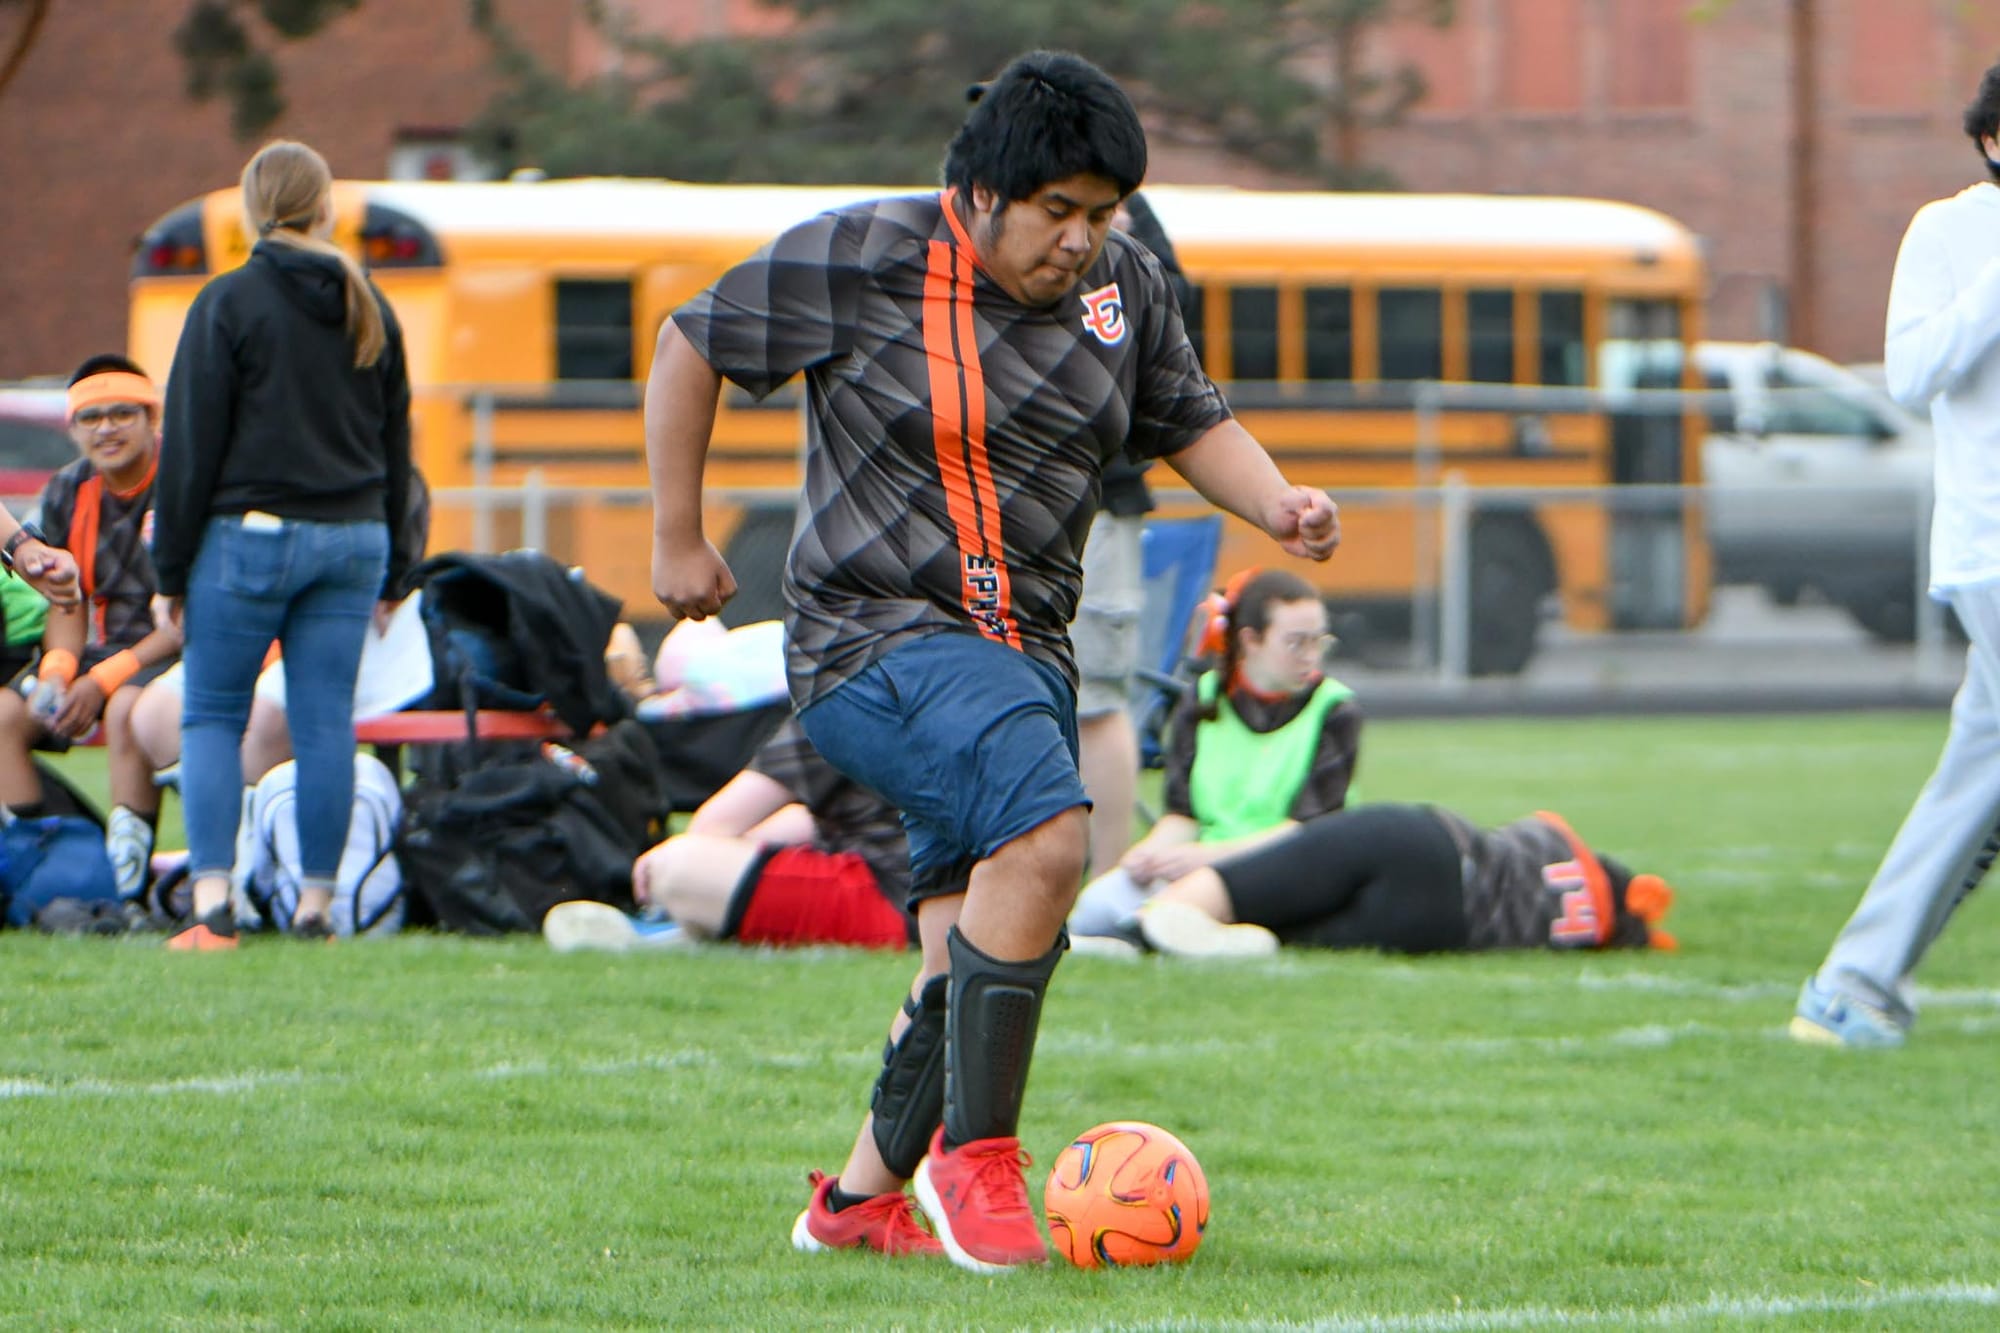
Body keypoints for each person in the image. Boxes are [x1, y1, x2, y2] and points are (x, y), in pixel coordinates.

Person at [645, 49, 1339, 1271]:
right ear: (975, 196)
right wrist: (678, 536)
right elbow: (690, 341)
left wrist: (1279, 506)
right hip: (872, 639)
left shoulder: (1121, 288)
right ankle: (977, 1160)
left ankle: (854, 1203)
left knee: (968, 941)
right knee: (1051, 840)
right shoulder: (861, 256)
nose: (1080, 239)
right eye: (1056, 212)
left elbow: (1187, 417)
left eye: (1101, 213)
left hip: (1023, 656)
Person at [153, 139, 416, 950]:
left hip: (250, 537)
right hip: (355, 538)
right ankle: (315, 903)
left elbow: (191, 444)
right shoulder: (368, 300)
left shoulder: (227, 302)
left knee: (211, 716)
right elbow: (397, 441)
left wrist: (171, 565)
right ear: (325, 205)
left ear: (253, 209)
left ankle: (212, 898)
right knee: (325, 720)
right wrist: (397, 566)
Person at [1792, 59, 2000, 1047]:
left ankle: (1855, 983)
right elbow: (1911, 372)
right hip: (1991, 546)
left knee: (1980, 767)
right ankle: (1852, 982)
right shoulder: (1948, 230)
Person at [1068, 567, 1360, 938]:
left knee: (1167, 917)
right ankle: (1168, 926)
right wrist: (1148, 856)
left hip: (1289, 870)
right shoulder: (1203, 698)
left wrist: (1203, 860)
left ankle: (1174, 926)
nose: (1310, 656)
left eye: (1319, 641)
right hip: (1204, 865)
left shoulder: (1335, 709)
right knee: (1095, 907)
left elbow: (1308, 831)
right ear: (1250, 640)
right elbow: (1183, 815)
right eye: (1296, 642)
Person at [0, 355, 182, 904]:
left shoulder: (182, 482)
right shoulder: (67, 489)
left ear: (153, 419)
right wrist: (57, 673)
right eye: (91, 417)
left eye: (123, 413)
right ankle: (40, 864)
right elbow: (65, 597)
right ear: (74, 429)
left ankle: (130, 886)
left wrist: (101, 682)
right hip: (92, 651)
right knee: (7, 714)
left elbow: (185, 618)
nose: (106, 428)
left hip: (171, 651)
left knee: (128, 707)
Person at [1090, 803, 1675, 959]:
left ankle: (1141, 930)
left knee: (1241, 893)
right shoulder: (1582, 929)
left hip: (1424, 842)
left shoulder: (1557, 845)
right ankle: (1145, 943)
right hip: (1444, 927)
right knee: (1276, 935)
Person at [543, 716, 915, 953]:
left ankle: (677, 932)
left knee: (678, 868)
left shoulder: (846, 703)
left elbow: (712, 825)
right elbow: (810, 822)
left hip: (895, 902)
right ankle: (690, 929)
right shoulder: (930, 681)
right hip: (941, 898)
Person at [1074, 191, 1199, 873]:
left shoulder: (1122, 209)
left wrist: (1120, 240)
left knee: (1095, 700)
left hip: (1096, 505)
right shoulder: (984, 196)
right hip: (991, 507)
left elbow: (1176, 316)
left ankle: (1100, 886)